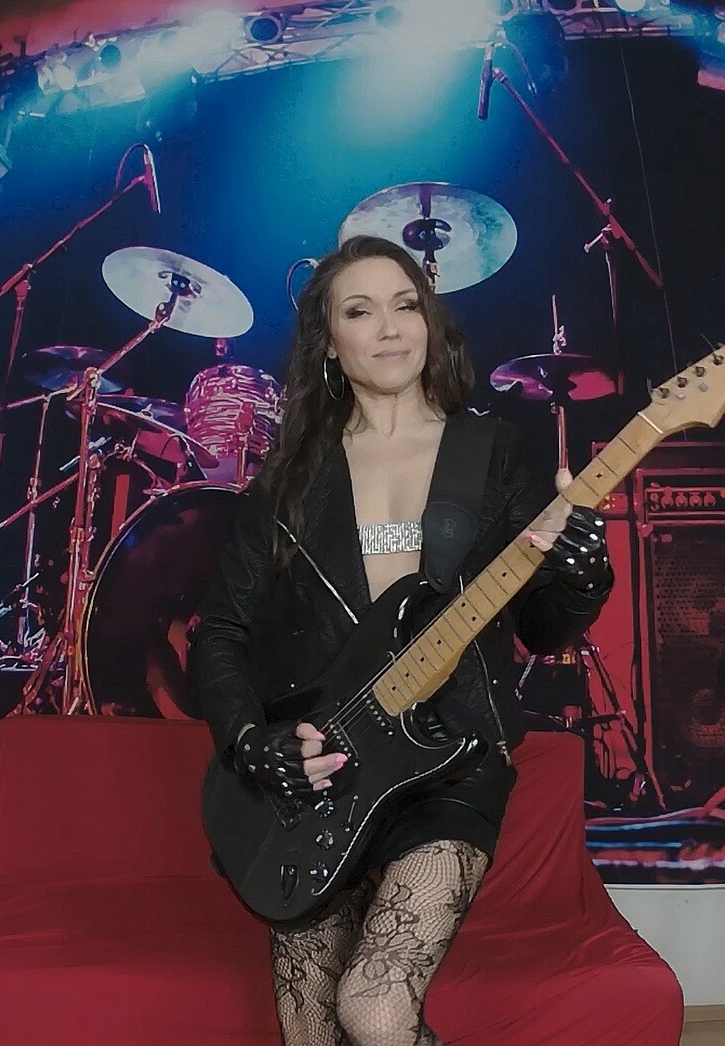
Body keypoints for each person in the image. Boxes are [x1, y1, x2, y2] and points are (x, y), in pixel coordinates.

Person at [192, 234, 615, 1045]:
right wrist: (250, 742)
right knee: (311, 1032)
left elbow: (541, 627)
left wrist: (583, 574)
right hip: (325, 771)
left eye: (405, 304)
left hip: (449, 760)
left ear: (430, 322)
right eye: (360, 310)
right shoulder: (289, 478)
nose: (389, 327)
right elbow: (221, 629)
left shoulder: (492, 453)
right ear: (329, 341)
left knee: (375, 1008)